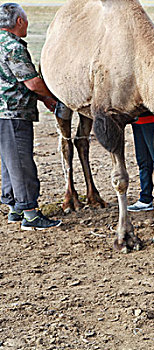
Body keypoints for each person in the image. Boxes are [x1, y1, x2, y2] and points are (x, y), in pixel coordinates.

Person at [0, 3, 61, 230]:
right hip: (14, 114)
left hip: (2, 113)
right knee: (22, 164)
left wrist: (43, 99)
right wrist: (52, 98)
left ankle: (14, 207)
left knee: (9, 162)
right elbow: (32, 83)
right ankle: (31, 214)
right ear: (19, 22)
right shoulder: (13, 47)